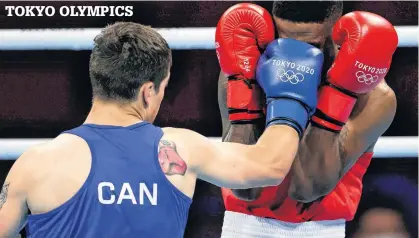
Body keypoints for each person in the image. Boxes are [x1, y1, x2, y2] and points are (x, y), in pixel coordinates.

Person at [0, 21, 322, 237]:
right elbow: (271, 166)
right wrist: (290, 96)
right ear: (148, 91)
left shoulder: (33, 164)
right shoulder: (178, 148)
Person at [217, 2, 398, 237]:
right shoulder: (246, 68)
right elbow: (243, 186)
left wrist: (339, 95)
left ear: (337, 32)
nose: (295, 56)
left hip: (319, 230)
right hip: (241, 226)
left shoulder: (372, 97)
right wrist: (245, 89)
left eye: (311, 45)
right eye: (284, 40)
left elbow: (307, 188)